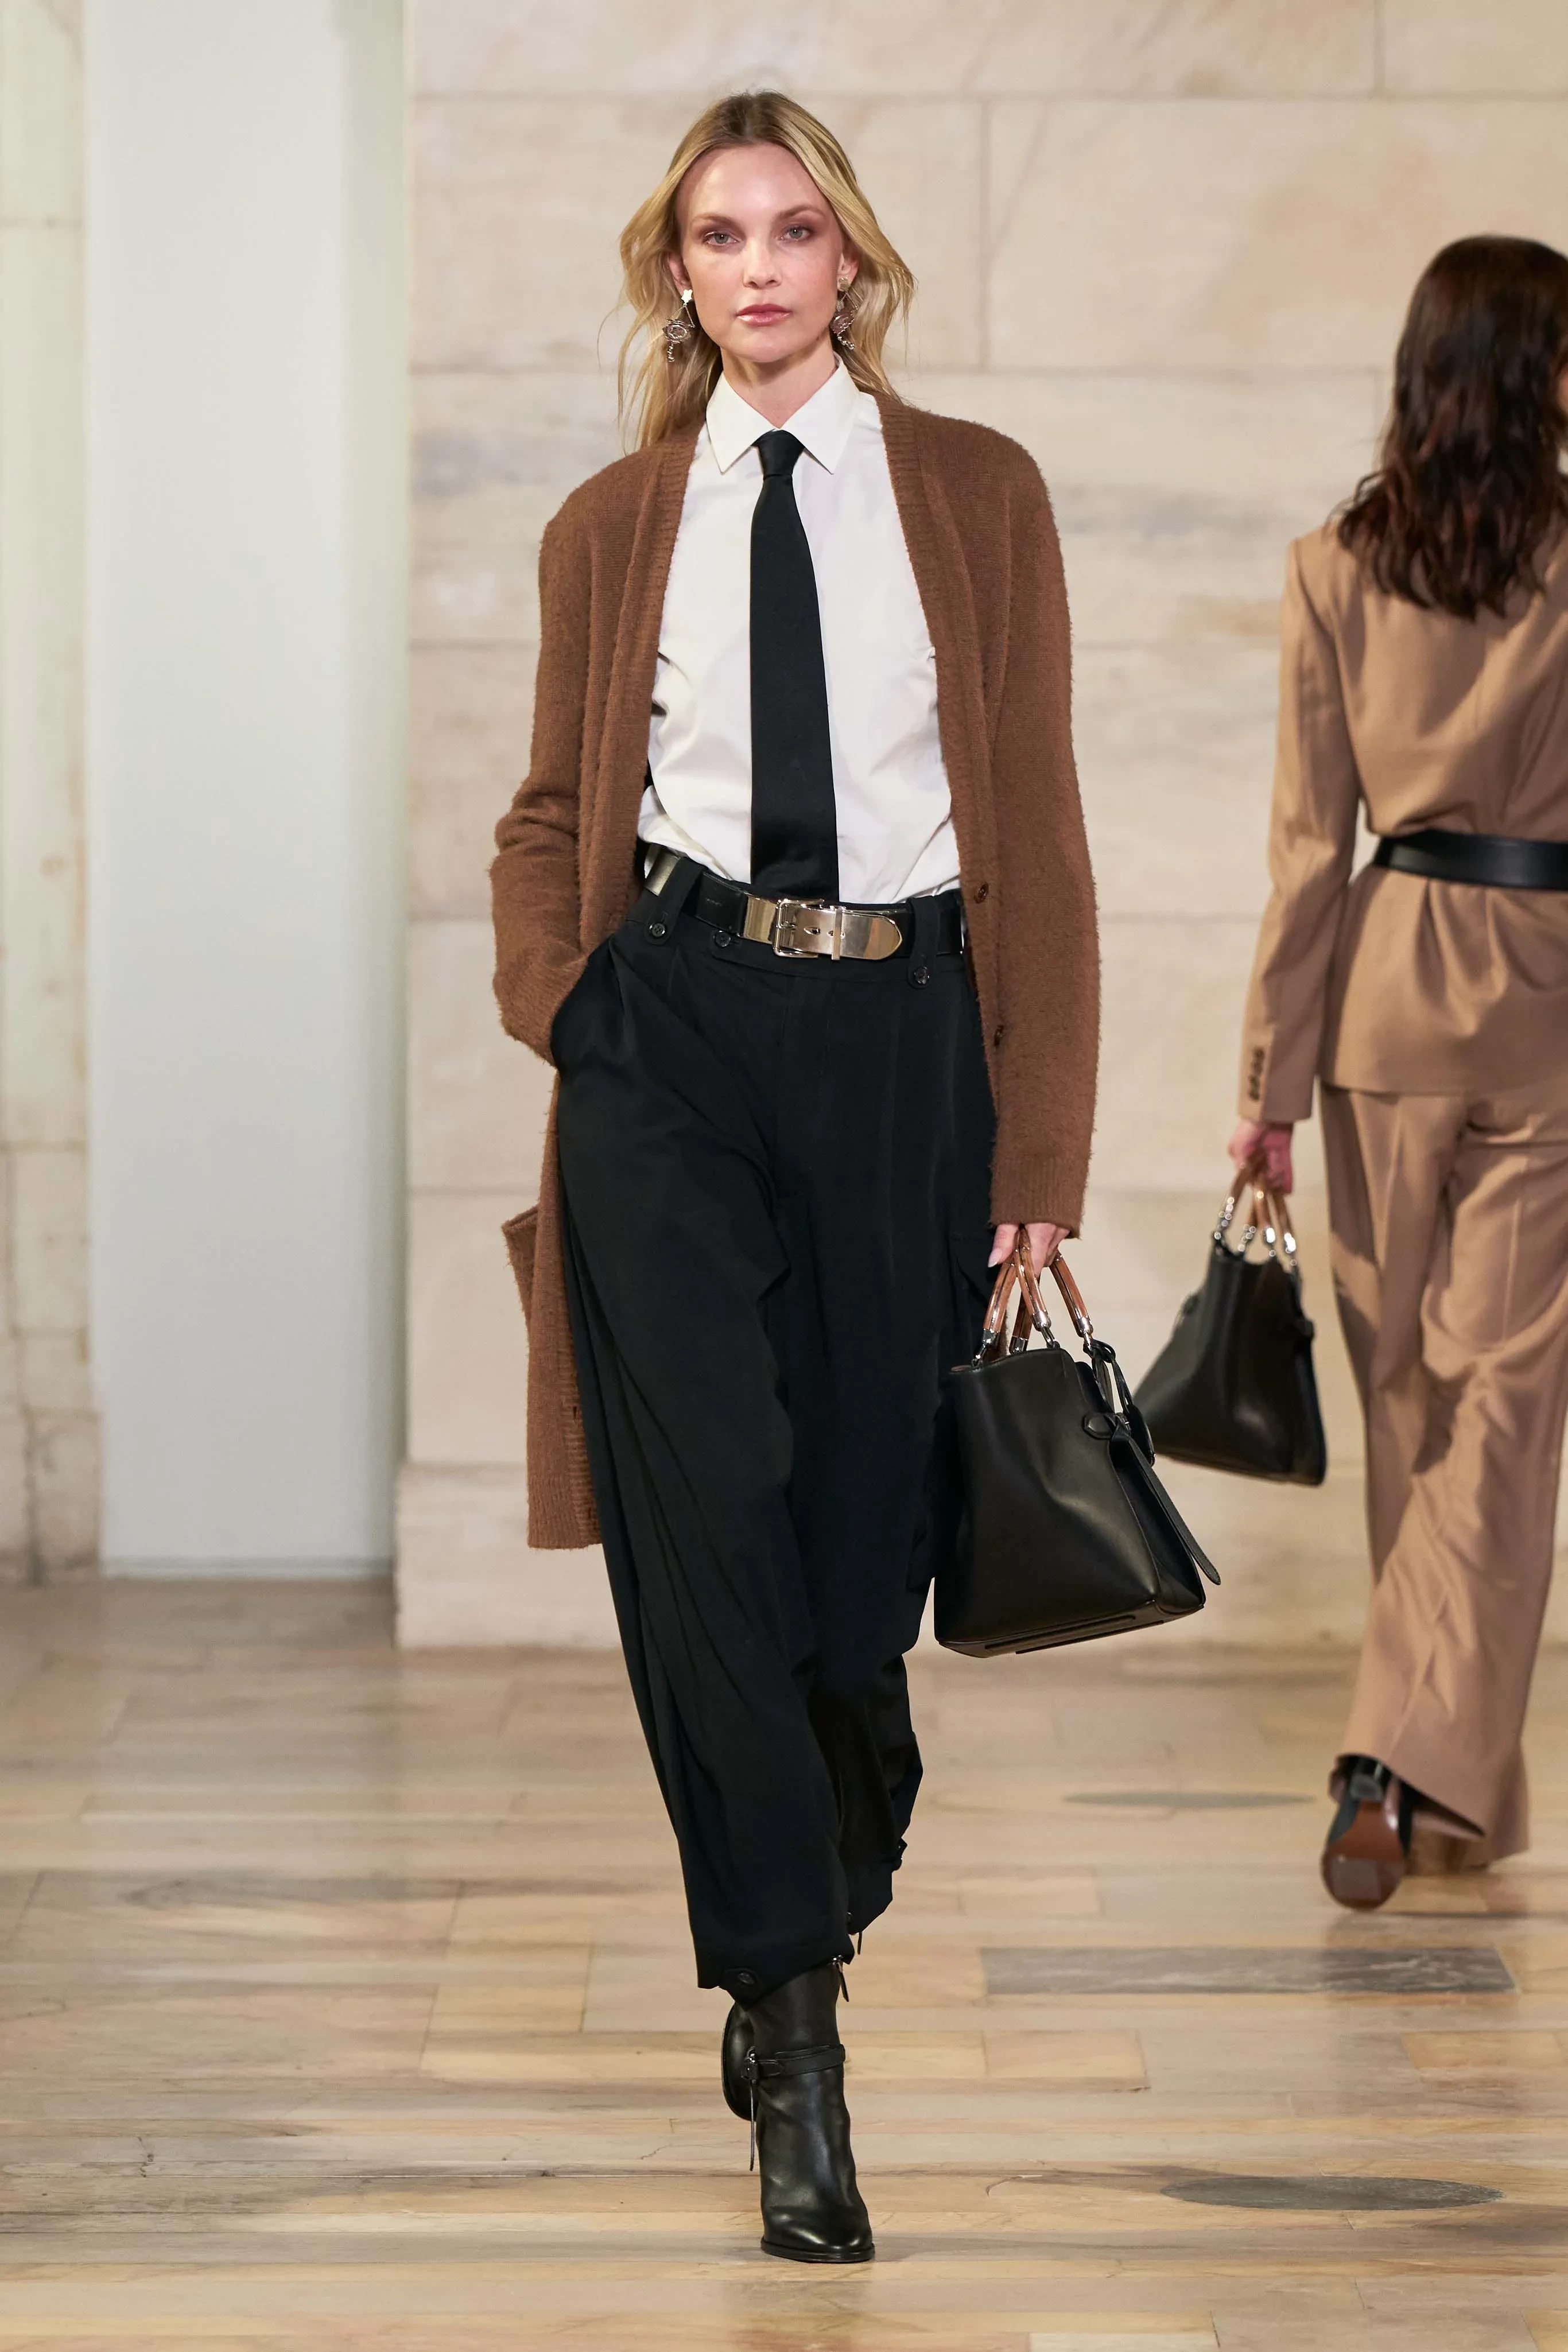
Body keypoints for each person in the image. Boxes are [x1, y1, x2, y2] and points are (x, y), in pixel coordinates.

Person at [490, 92, 1098, 2259]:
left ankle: (811, 1890)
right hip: (666, 1045)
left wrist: (1040, 1147)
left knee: (853, 1571)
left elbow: (1038, 825)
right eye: (717, 236)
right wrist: (571, 1009)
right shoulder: (609, 525)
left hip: (898, 1045)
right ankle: (797, 2029)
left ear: (850, 260)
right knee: (706, 1532)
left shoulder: (976, 494)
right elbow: (547, 813)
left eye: (792, 231)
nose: (756, 268)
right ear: (677, 275)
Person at [1232, 236, 1568, 1912]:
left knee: (1412, 1402)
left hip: (1380, 1000)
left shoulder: (1332, 568)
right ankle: (1410, 1771)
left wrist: (1268, 1083)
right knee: (1501, 1408)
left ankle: (1425, 1781)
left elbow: (1309, 850)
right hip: (1548, 999)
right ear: (1531, 372)